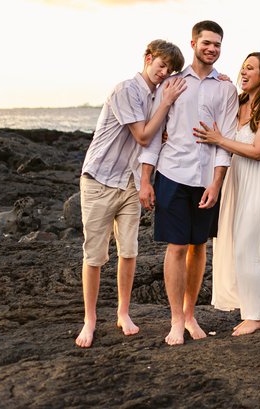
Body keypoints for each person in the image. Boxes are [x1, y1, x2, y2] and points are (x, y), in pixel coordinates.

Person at [75, 40, 187, 348]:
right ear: (148, 58)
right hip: (100, 178)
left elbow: (156, 138)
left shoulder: (156, 96)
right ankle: (90, 320)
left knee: (129, 251)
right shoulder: (126, 90)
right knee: (95, 255)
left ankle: (123, 313)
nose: (164, 73)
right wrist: (166, 104)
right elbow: (142, 135)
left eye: (170, 70)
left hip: (130, 181)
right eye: (161, 65)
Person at [138, 20, 238, 346]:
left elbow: (227, 139)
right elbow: (153, 137)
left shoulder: (226, 88)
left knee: (199, 246)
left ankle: (191, 314)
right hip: (172, 173)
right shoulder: (172, 84)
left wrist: (217, 182)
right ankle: (176, 321)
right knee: (177, 246)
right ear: (193, 42)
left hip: (207, 177)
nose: (212, 49)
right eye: (206, 42)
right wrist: (146, 180)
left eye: (217, 44)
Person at [193, 53, 260, 335]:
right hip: (238, 179)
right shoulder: (239, 102)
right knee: (242, 243)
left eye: (250, 68)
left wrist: (220, 140)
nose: (243, 71)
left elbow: (258, 150)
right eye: (243, 67)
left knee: (250, 245)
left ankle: (254, 315)